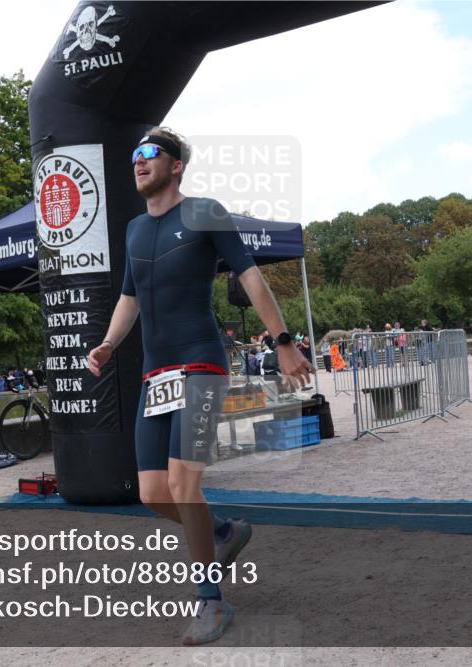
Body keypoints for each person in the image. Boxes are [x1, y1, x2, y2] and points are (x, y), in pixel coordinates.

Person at [87, 128, 313, 645]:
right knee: (151, 493)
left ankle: (211, 601)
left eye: (150, 153)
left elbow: (250, 276)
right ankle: (221, 534)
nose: (139, 162)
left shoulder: (205, 212)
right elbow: (131, 297)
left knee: (184, 484)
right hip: (155, 373)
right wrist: (108, 343)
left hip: (201, 362)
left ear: (177, 165)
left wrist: (282, 340)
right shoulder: (134, 230)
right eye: (134, 155)